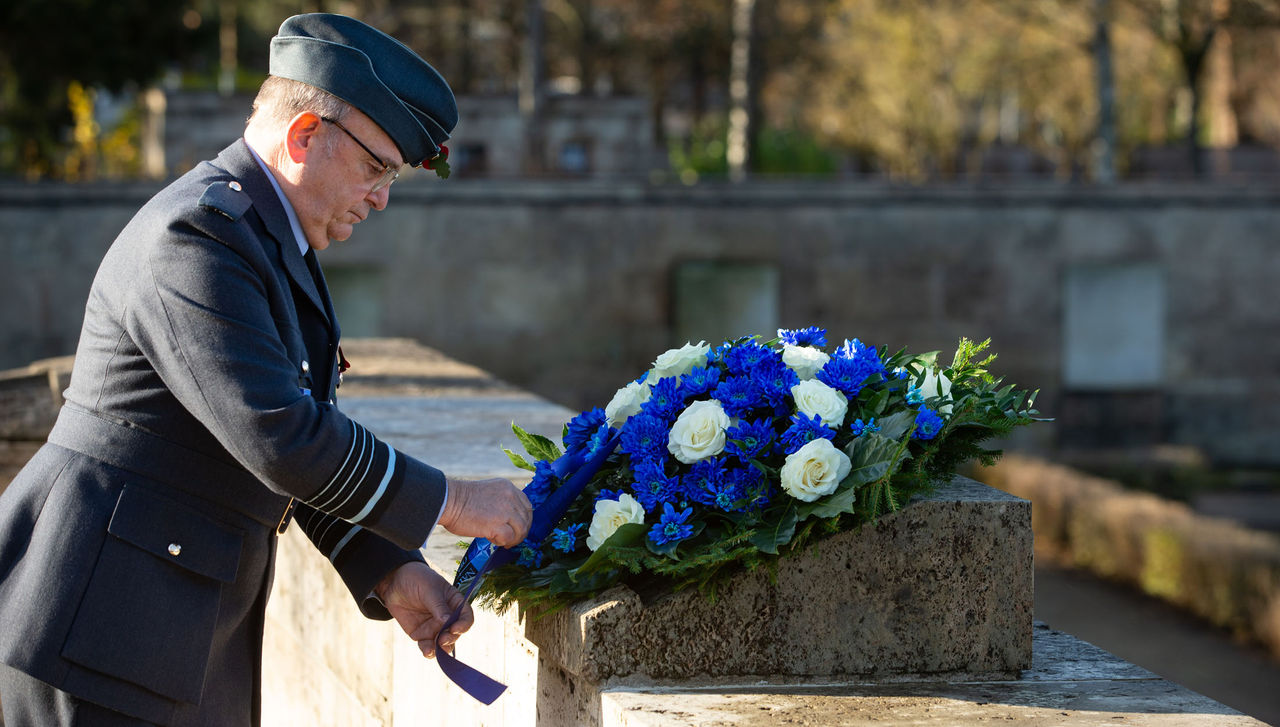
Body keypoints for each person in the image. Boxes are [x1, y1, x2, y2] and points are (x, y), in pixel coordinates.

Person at [0, 13, 532, 726]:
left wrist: (385, 566)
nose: (380, 197)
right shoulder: (197, 236)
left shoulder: (260, 235)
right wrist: (455, 502)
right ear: (306, 134)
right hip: (97, 632)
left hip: (151, 631)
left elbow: (276, 445)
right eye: (376, 168)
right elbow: (279, 436)